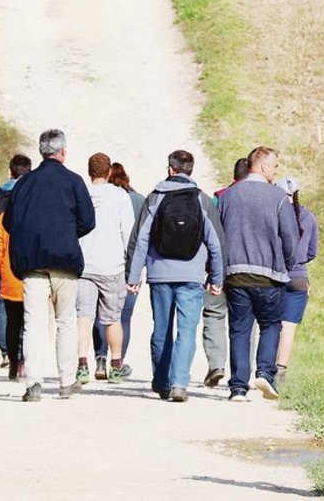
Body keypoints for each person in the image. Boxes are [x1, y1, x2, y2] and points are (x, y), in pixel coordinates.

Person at [125, 149, 224, 403]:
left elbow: (141, 238)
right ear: (190, 170)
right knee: (187, 330)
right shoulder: (201, 200)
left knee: (162, 329)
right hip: (191, 274)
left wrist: (133, 275)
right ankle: (180, 383)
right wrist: (217, 277)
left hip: (159, 274)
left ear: (170, 169)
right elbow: (215, 242)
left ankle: (161, 381)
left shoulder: (155, 198)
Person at [6, 128, 96, 402]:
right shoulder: (73, 181)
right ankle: (66, 381)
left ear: (41, 151)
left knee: (33, 322)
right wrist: (66, 233)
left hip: (32, 263)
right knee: (65, 321)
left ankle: (34, 382)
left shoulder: (24, 183)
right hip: (65, 261)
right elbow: (88, 221)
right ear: (63, 152)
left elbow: (10, 222)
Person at [218, 146, 297, 401]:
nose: (276, 171)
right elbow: (290, 239)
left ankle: (238, 387)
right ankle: (265, 372)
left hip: (236, 273)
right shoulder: (277, 198)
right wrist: (286, 262)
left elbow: (218, 236)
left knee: (239, 329)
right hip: (269, 275)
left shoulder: (229, 196)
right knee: (270, 325)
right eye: (274, 166)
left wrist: (218, 272)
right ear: (262, 166)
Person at [74, 153, 135, 384]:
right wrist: (132, 266)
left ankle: (82, 365)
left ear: (90, 172)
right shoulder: (120, 196)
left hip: (84, 265)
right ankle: (116, 365)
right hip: (111, 266)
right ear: (109, 172)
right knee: (112, 318)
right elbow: (127, 233)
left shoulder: (81, 194)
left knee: (84, 317)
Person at [201, 156, 248, 388]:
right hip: (248, 271)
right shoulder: (260, 198)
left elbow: (208, 235)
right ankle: (243, 370)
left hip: (220, 269)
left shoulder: (218, 198)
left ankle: (216, 364)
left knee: (213, 315)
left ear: (233, 176)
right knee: (245, 322)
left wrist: (209, 267)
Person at [93, 162, 143, 371]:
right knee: (123, 317)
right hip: (128, 264)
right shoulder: (139, 200)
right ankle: (118, 361)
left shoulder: (100, 198)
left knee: (100, 314)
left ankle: (101, 358)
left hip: (101, 262)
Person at [0, 154, 32, 370]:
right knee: (29, 312)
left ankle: (7, 353)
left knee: (4, 310)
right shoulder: (32, 197)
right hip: (28, 266)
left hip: (4, 261)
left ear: (10, 171)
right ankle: (23, 356)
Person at [273, 177, 317, 385]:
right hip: (299, 277)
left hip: (275, 274)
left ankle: (264, 366)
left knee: (271, 323)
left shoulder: (274, 213)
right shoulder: (308, 217)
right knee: (289, 326)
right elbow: (312, 251)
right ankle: (280, 371)